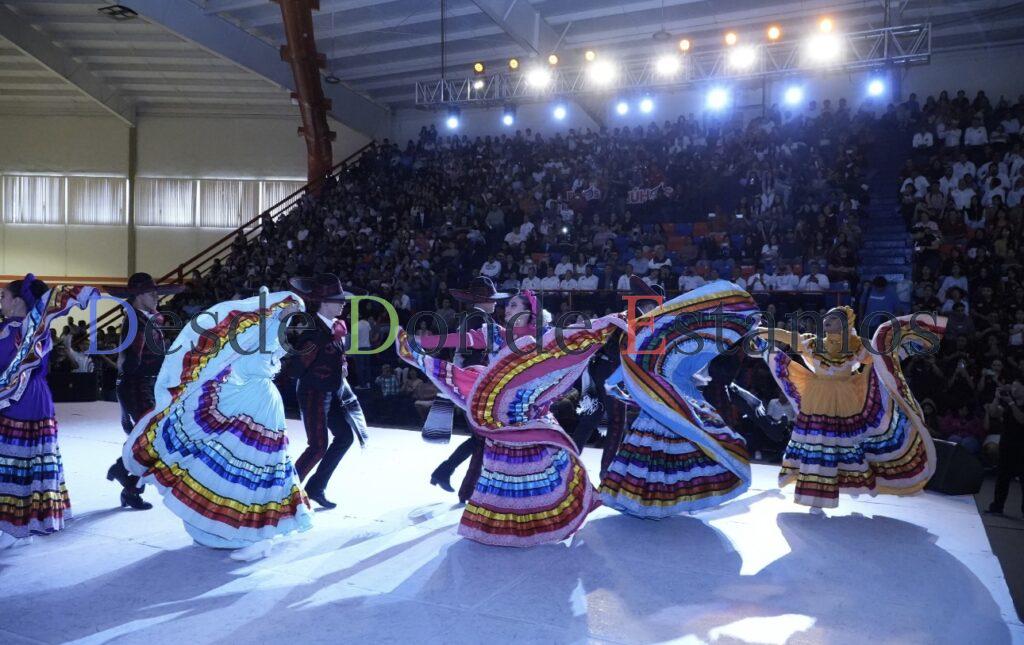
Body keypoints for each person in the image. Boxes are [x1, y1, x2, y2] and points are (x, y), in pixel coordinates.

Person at [398, 293, 623, 547]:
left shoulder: (544, 337)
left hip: (530, 415)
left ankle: (540, 521)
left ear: (530, 311)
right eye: (507, 306)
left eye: (514, 305)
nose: (507, 310)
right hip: (500, 417)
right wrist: (421, 341)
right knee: (502, 472)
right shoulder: (495, 334)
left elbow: (573, 341)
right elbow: (456, 339)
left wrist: (609, 321)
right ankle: (502, 525)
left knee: (549, 466)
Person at [122, 289, 312, 555]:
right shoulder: (257, 335)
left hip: (263, 408)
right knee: (240, 467)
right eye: (290, 310)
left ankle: (243, 531)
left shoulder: (269, 333)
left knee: (254, 469)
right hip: (251, 405)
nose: (293, 316)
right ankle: (230, 531)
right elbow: (243, 360)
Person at [756, 307, 946, 508]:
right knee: (817, 442)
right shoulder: (813, 342)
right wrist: (760, 330)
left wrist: (893, 342)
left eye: (833, 318)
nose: (827, 320)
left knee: (841, 443)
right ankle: (813, 493)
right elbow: (786, 336)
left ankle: (849, 484)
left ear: (845, 324)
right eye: (826, 317)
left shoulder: (856, 346)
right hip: (816, 398)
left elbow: (879, 358)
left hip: (844, 400)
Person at [599, 281, 760, 517]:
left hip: (675, 398)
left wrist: (613, 385)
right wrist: (613, 385)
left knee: (681, 451)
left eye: (649, 304)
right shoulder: (642, 333)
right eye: (643, 304)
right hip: (660, 399)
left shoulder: (670, 331)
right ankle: (658, 501)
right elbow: (631, 363)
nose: (645, 308)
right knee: (663, 454)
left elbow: (639, 363)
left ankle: (676, 500)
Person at [0, 276, 98, 548]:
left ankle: (13, 525)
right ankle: (19, 522)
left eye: (4, 297)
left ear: (19, 301)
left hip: (20, 399)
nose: (1, 302)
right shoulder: (30, 328)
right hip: (31, 395)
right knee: (25, 459)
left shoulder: (21, 330)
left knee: (14, 458)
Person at [427, 277, 515, 500]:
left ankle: (446, 473)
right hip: (473, 383)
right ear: (481, 300)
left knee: (480, 438)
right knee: (482, 437)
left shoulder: (473, 318)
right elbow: (470, 354)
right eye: (491, 299)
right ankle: (465, 488)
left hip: (470, 381)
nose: (495, 303)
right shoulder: (478, 320)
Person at [287, 273, 369, 510]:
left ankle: (315, 488)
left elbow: (336, 356)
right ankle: (284, 494)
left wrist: (340, 364)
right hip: (313, 393)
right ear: (323, 302)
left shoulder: (335, 328)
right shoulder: (312, 331)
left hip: (332, 393)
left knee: (345, 437)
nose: (343, 303)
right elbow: (295, 369)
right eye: (337, 299)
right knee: (318, 445)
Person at [106, 272, 185, 511]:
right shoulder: (136, 321)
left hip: (143, 385)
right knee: (149, 440)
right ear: (139, 296)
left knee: (150, 440)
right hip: (137, 386)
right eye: (152, 293)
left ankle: (126, 477)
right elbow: (132, 361)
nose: (156, 296)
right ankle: (125, 477)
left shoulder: (143, 319)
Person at [988, 380, 1024, 516]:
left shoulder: (1012, 403)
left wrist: (1011, 403)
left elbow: (1022, 419)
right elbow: (993, 413)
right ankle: (997, 506)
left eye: (1017, 386)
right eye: (1013, 386)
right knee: (1002, 477)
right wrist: (996, 398)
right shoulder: (1009, 403)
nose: (1013, 389)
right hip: (1007, 444)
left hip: (1022, 447)